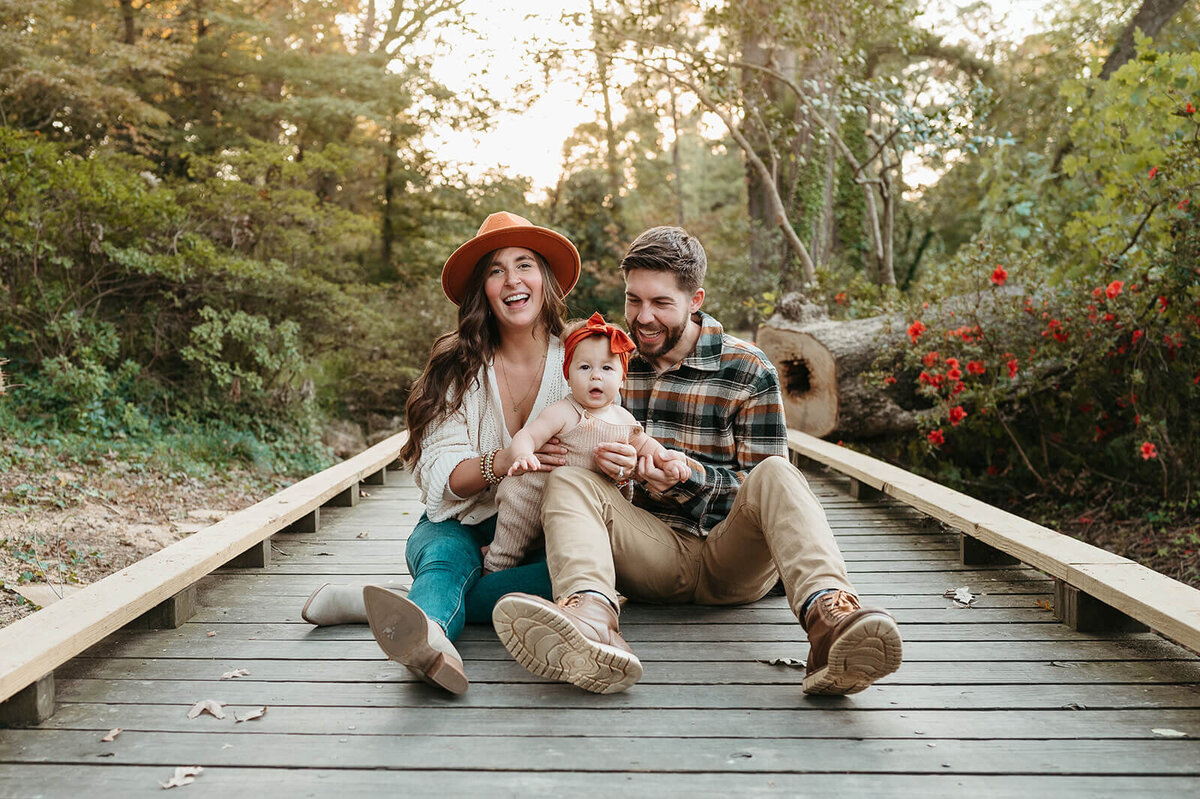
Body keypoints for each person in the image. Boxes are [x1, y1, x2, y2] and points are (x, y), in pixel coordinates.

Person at [492, 225, 904, 696]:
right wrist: (611, 471)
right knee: (568, 480)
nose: (643, 318)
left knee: (777, 473)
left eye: (661, 303)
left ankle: (830, 621)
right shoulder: (608, 364)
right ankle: (591, 624)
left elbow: (762, 493)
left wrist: (688, 478)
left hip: (735, 560)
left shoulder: (748, 369)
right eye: (633, 301)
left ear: (695, 299)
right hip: (652, 554)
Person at [300, 210, 590, 696]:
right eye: (496, 270)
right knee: (443, 559)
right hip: (459, 521)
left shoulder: (581, 359)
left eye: (524, 265)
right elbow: (439, 475)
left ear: (546, 278)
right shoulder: (457, 368)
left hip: (542, 532)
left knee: (568, 579)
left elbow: (608, 436)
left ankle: (392, 604)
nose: (512, 281)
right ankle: (430, 643)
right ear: (483, 290)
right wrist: (504, 460)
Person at [485, 312, 690, 574]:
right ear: (567, 376)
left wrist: (669, 461)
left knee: (560, 550)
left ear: (622, 378)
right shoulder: (564, 412)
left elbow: (648, 446)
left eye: (607, 368)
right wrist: (523, 454)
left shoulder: (623, 418)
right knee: (510, 545)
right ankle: (492, 569)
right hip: (529, 496)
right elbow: (528, 435)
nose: (596, 377)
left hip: (573, 506)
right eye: (585, 367)